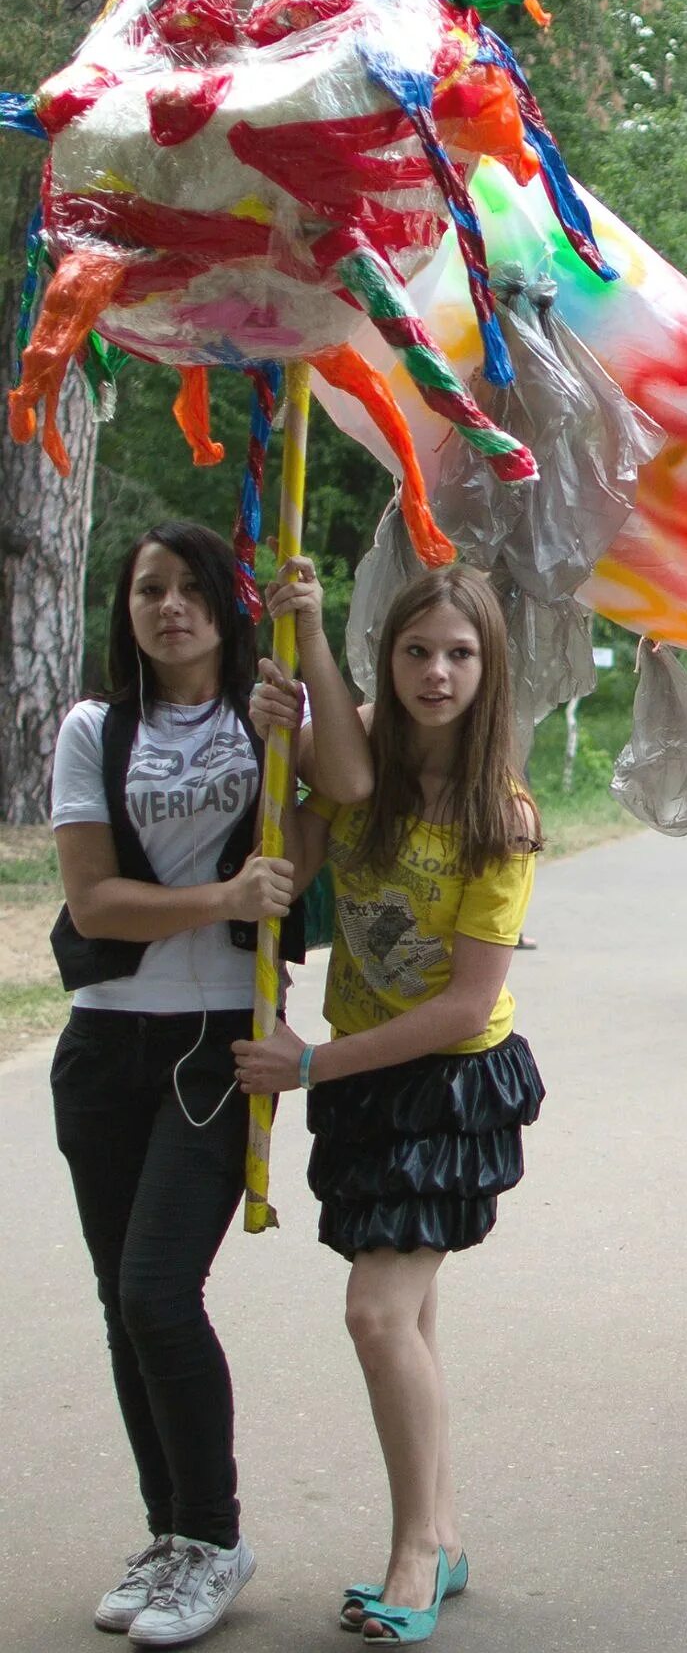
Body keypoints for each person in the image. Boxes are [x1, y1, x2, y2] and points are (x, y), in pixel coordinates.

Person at [49, 524, 359, 1647]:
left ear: (228, 608)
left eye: (189, 589)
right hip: (104, 1045)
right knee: (119, 1303)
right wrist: (224, 896)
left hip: (218, 1041)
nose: (168, 605)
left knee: (155, 1290)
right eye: (148, 588)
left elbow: (344, 793)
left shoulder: (268, 712)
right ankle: (170, 1532)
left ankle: (216, 1536)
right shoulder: (94, 728)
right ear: (125, 608)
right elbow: (94, 903)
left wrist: (307, 659)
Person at [231, 564, 546, 1641]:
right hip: (363, 1072)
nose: (438, 672)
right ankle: (443, 1535)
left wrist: (312, 1063)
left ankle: (419, 1545)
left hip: (447, 1082)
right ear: (389, 657)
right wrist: (289, 741)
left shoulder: (501, 811)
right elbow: (303, 850)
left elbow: (466, 1004)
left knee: (375, 1311)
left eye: (460, 653)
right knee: (406, 1313)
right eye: (418, 650)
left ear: (488, 665)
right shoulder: (354, 745)